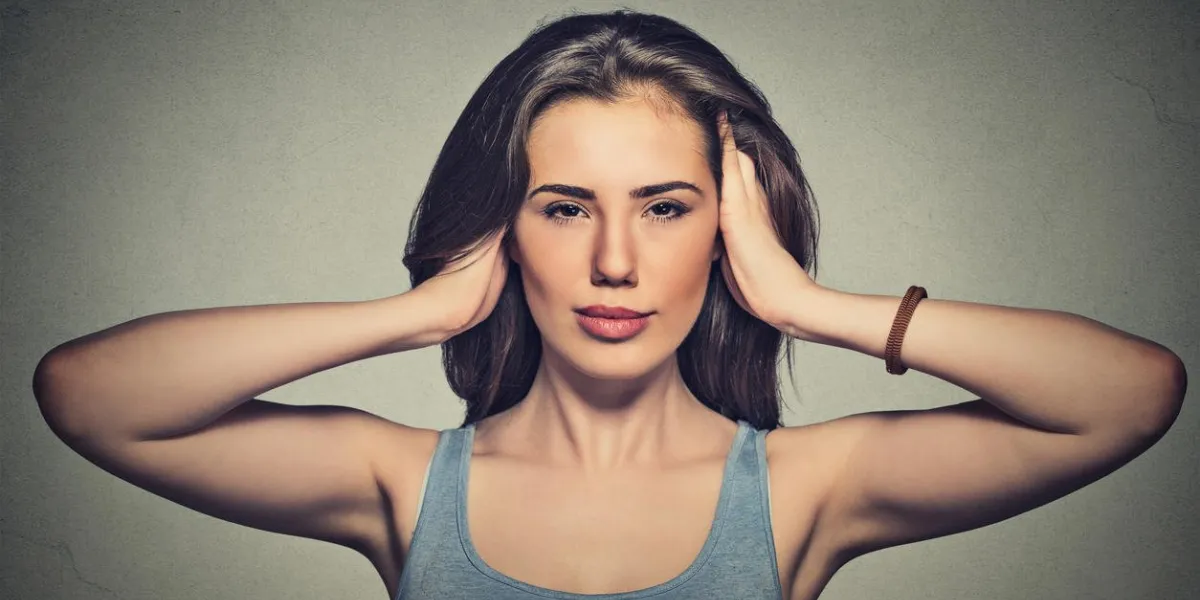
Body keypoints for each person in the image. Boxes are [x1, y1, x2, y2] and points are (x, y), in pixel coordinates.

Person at [31, 9, 1186, 600]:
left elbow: (1133, 396)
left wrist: (804, 299)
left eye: (670, 209)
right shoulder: (401, 486)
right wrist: (417, 314)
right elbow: (86, 396)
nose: (618, 263)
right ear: (505, 229)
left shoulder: (804, 494)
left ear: (727, 229)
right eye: (566, 208)